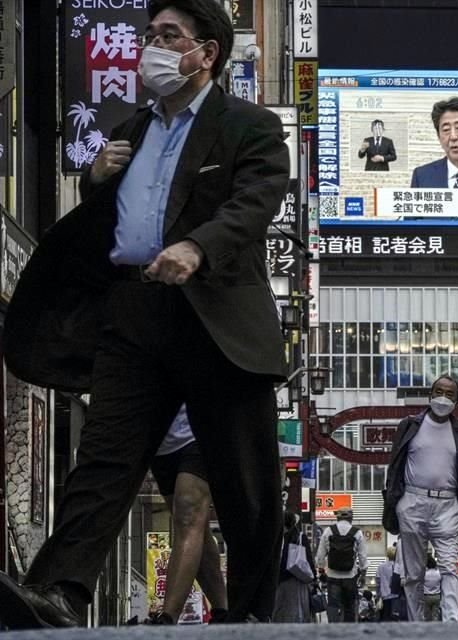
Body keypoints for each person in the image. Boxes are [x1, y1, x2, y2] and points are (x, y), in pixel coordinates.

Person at [0, 0, 289, 628]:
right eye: (149, 35)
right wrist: (96, 181)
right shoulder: (132, 126)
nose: (152, 47)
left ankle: (254, 613)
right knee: (106, 458)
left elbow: (255, 203)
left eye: (169, 36)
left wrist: (197, 247)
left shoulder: (249, 126)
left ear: (206, 53)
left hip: (215, 319)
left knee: (246, 482)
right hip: (134, 313)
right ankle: (58, 593)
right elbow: (117, 220)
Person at [382, 374, 458, 622]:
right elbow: (394, 466)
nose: (443, 398)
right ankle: (417, 624)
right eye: (439, 391)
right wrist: (395, 502)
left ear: (457, 399)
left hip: (447, 505)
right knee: (413, 573)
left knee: (449, 568)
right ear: (430, 394)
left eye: (450, 393)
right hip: (412, 501)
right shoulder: (410, 425)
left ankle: (453, 622)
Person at [145, 406, 227, 625]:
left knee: (187, 516)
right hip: (160, 442)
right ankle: (223, 611)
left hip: (202, 432)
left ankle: (167, 617)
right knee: (194, 526)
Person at [316, 507, 368, 623]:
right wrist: (363, 575)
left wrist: (321, 570)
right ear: (351, 518)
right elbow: (363, 557)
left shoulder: (328, 531)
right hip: (350, 577)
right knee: (349, 607)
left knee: (333, 605)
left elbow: (320, 556)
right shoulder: (357, 532)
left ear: (337, 517)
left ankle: (334, 631)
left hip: (332, 576)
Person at [274, 512, 316, 622]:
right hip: (299, 580)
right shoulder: (301, 537)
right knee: (298, 613)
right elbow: (309, 559)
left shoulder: (276, 538)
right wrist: (313, 578)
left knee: (281, 612)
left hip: (281, 580)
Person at [376, 546, 400, 621]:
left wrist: (378, 595)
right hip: (396, 596)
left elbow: (378, 582)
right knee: (395, 618)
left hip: (384, 596)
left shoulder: (380, 567)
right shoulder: (398, 566)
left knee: (385, 617)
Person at [422, 557, 443, 622]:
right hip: (436, 596)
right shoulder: (438, 573)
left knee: (426, 616)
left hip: (426, 596)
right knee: (435, 616)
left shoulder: (424, 574)